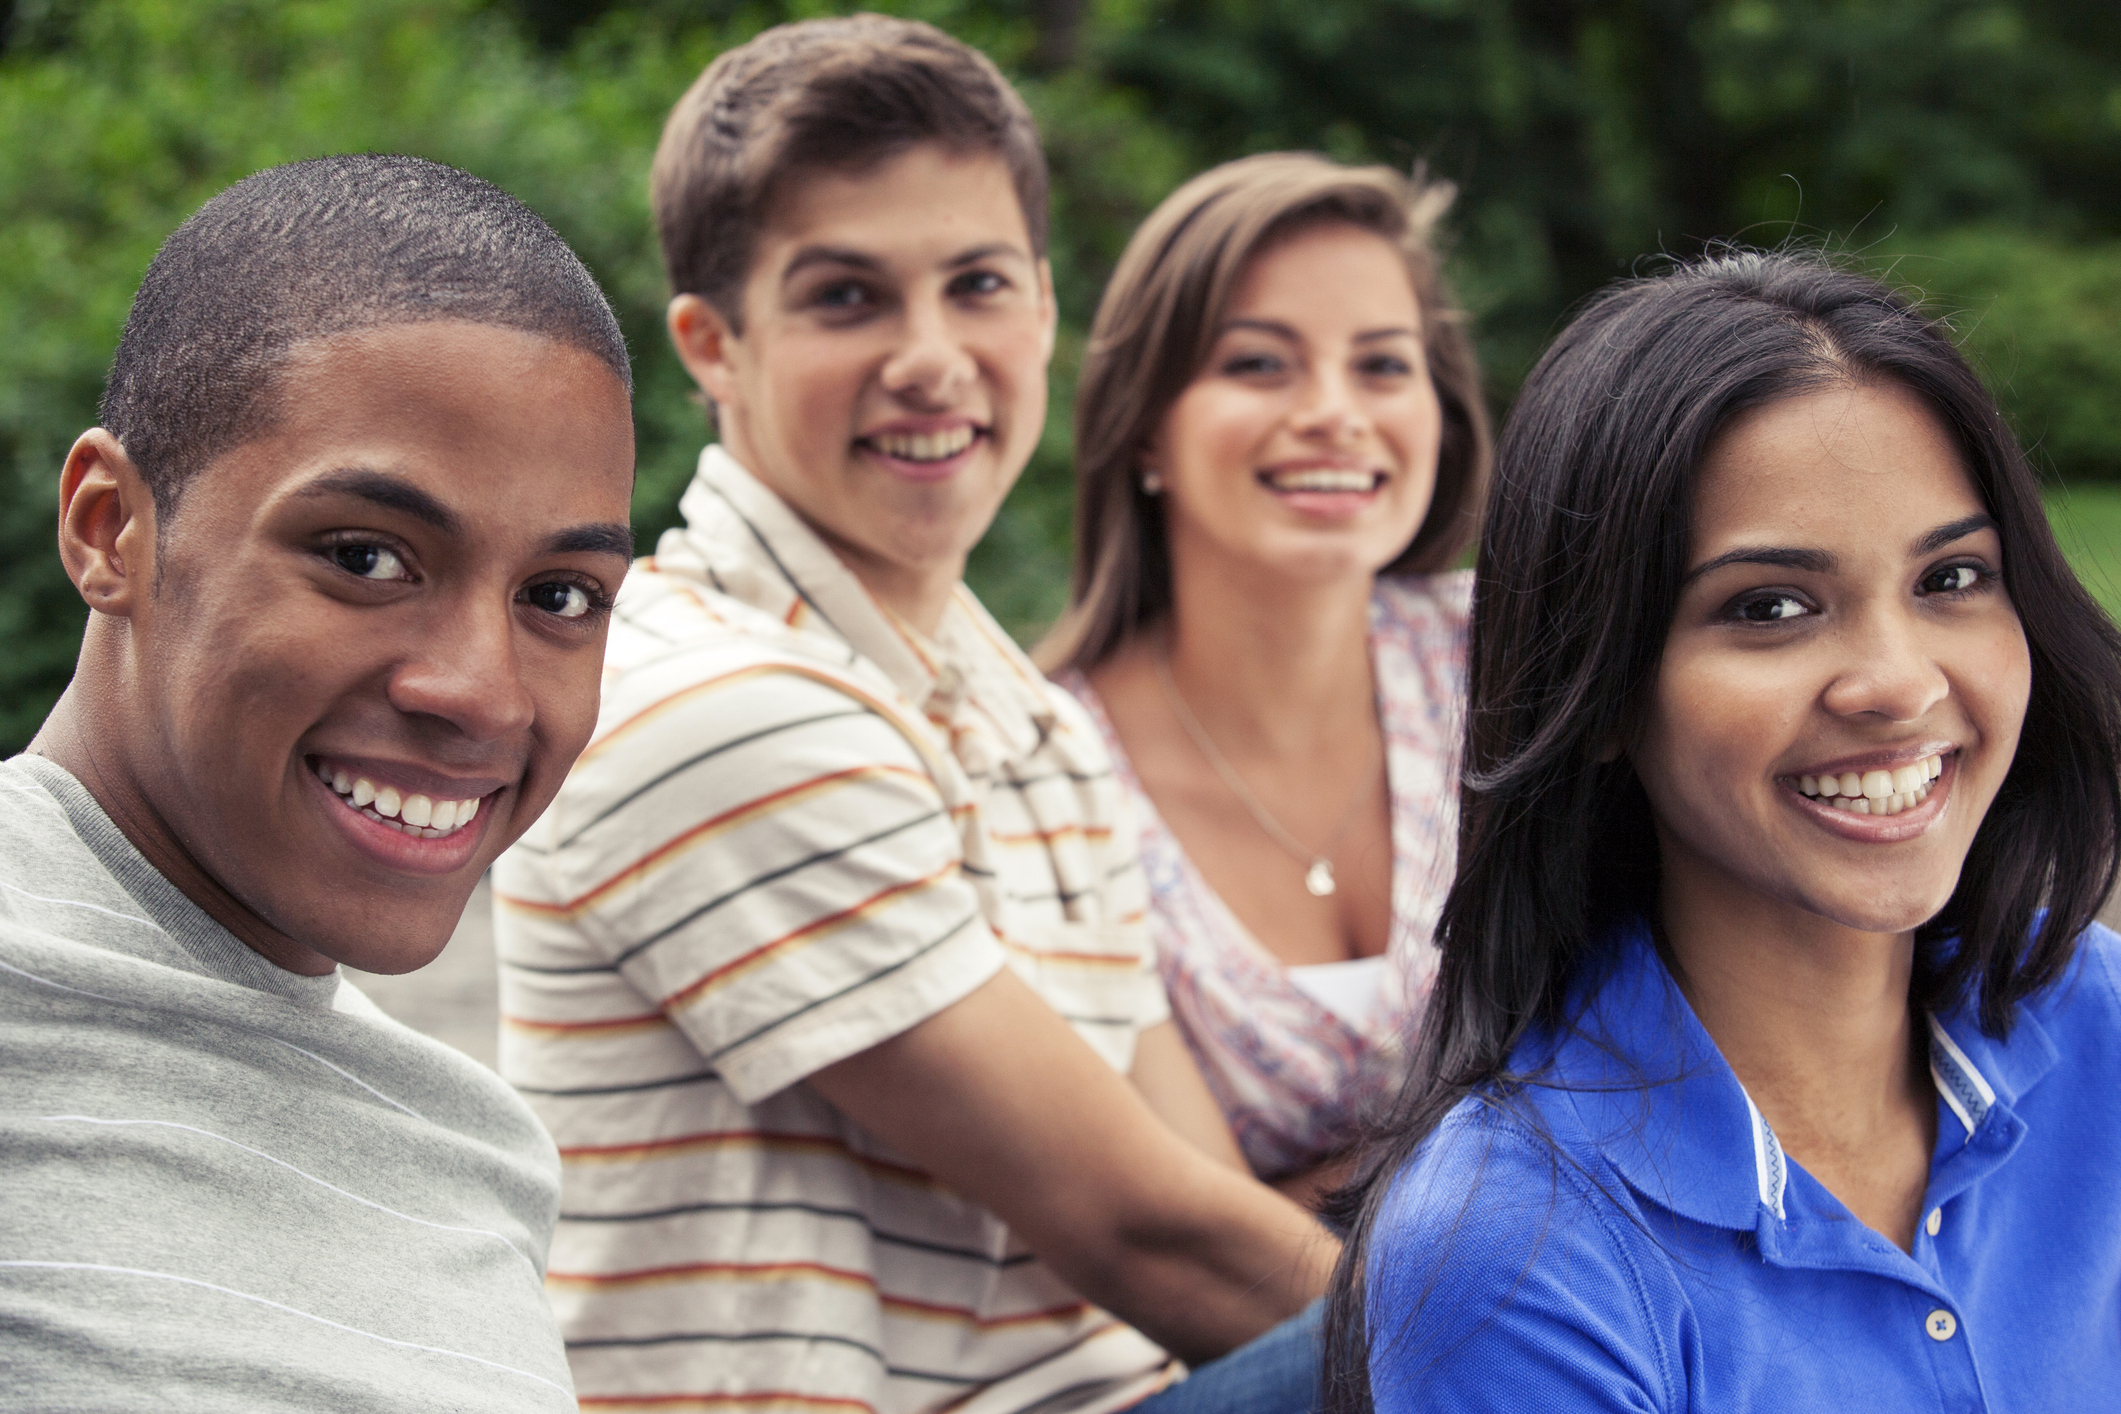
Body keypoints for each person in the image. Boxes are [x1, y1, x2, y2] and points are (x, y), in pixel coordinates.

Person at [492, 17, 1334, 1414]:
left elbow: (1198, 1190)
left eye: (978, 285)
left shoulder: (1034, 726)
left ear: (1047, 312)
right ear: (712, 342)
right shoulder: (707, 695)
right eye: (846, 298)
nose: (933, 358)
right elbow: (1156, 1235)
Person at [1321, 250, 2121, 1412]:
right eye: (1772, 608)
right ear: (1595, 694)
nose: (1897, 683)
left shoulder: (2093, 1020)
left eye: (1951, 578)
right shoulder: (1514, 1248)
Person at [0, 155, 639, 1409]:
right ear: (110, 528)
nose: (483, 692)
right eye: (366, 557)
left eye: (559, 596)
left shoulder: (477, 1153)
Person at [1037, 153, 1490, 1201]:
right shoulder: (1047, 767)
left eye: (1382, 365)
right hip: (1261, 1347)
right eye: (1259, 364)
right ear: (1147, 424)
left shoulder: (1513, 662)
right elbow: (1175, 1223)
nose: (1335, 411)